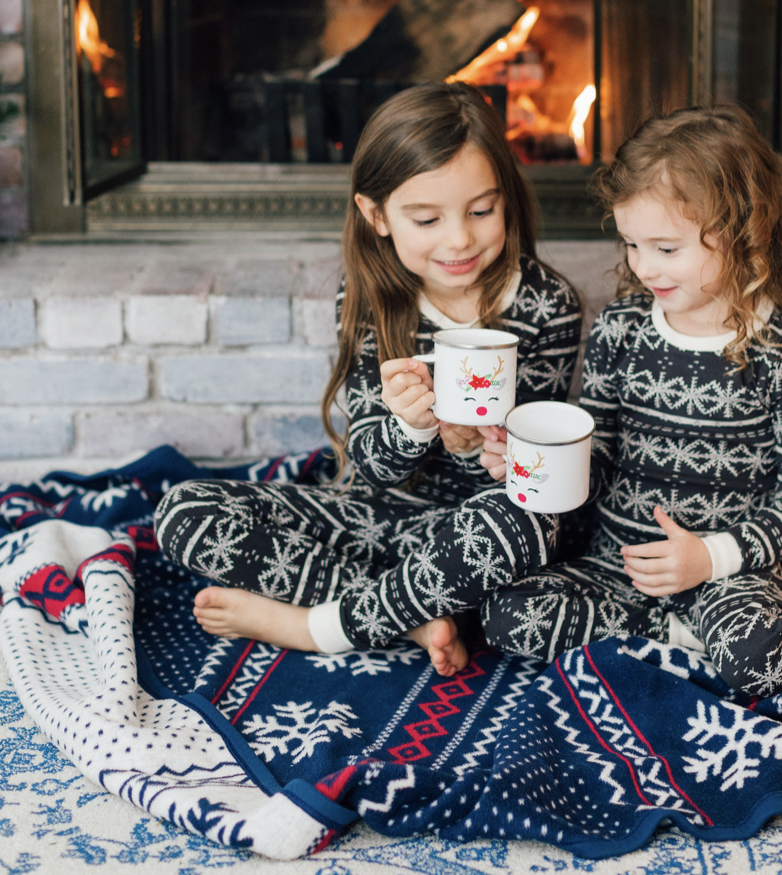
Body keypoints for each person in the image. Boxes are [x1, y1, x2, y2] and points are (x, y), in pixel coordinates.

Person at [479, 105, 782, 699]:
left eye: (666, 249)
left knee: (755, 654)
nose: (643, 268)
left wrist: (710, 557)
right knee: (504, 613)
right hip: (620, 565)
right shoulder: (620, 330)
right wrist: (527, 464)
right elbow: (597, 459)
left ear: (743, 231)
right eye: (631, 245)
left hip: (732, 571)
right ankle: (683, 635)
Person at [154, 81, 581, 676]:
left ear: (506, 198)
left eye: (482, 210)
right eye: (426, 218)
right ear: (376, 215)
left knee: (526, 528)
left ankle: (314, 625)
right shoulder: (370, 300)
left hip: (479, 534)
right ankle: (412, 616)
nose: (459, 238)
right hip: (375, 519)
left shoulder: (547, 304)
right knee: (183, 511)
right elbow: (370, 464)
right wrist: (409, 427)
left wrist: (475, 449)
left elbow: (535, 479)